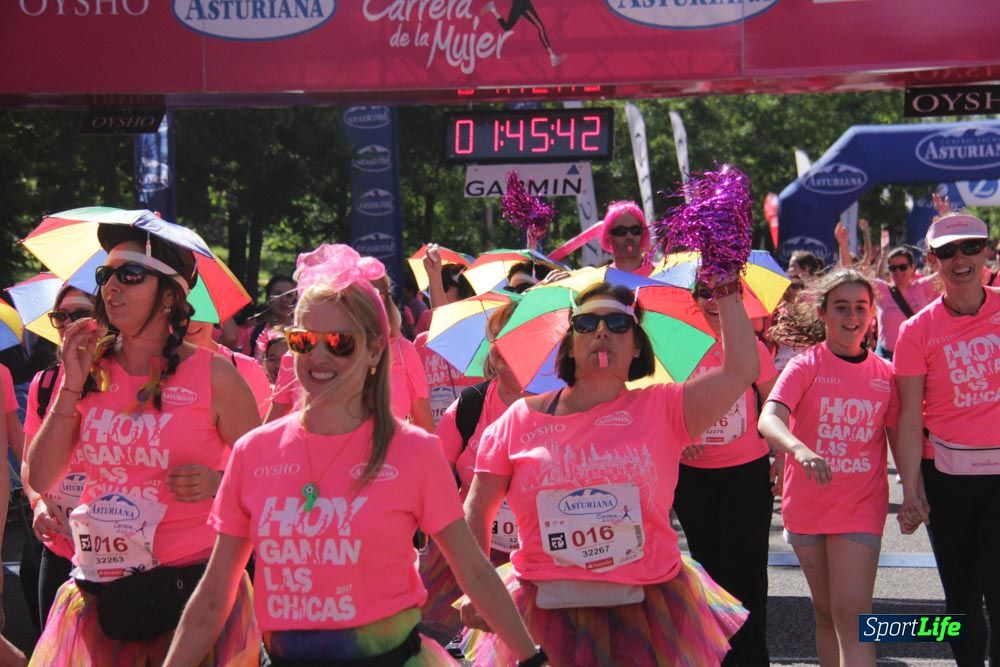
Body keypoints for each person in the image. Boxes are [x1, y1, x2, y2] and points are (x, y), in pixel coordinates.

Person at [163, 244, 544, 667]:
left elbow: (474, 571)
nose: (319, 356)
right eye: (304, 340)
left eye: (340, 342)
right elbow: (215, 595)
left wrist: (530, 660)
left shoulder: (414, 451)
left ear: (376, 349)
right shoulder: (254, 453)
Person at [462, 279, 758, 666]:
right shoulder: (519, 419)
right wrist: (476, 589)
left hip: (648, 607)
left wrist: (726, 284)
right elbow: (477, 510)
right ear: (569, 342)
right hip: (544, 609)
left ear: (636, 344)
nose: (602, 332)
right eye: (586, 324)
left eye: (618, 324)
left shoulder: (666, 407)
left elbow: (740, 371)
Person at [25, 226, 262, 665]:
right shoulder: (87, 369)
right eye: (105, 275)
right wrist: (70, 387)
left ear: (170, 295)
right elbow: (39, 476)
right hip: (102, 595)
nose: (111, 286)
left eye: (130, 274)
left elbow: (267, 481)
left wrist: (217, 481)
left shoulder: (216, 376)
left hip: (191, 596)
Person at [759, 268, 900, 667]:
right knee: (825, 613)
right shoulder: (806, 365)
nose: (851, 316)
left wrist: (916, 493)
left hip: (861, 504)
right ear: (822, 313)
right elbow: (769, 418)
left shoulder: (884, 374)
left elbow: (899, 435)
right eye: (841, 307)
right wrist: (798, 449)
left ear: (872, 313)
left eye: (860, 307)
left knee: (853, 616)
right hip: (806, 505)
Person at [894, 213, 1000, 666]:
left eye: (970, 247)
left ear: (986, 251)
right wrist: (912, 490)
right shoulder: (915, 331)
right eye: (947, 251)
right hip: (948, 481)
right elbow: (907, 419)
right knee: (960, 599)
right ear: (932, 261)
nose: (961, 259)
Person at [672, 281, 779, 667]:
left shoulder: (751, 344)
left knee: (747, 572)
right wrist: (678, 438)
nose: (713, 300)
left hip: (746, 475)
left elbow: (774, 400)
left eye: (722, 291)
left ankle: (751, 660)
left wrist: (780, 452)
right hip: (693, 478)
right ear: (693, 297)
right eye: (704, 290)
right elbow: (659, 405)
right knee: (707, 573)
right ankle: (714, 658)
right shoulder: (676, 345)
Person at [420, 302, 529, 644]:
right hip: (471, 551)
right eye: (501, 343)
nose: (507, 353)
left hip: (537, 557)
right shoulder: (471, 406)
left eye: (521, 340)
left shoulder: (564, 404)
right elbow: (434, 473)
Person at [20, 286, 94, 629]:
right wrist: (37, 503)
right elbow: (28, 461)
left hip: (117, 551)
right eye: (60, 316)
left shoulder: (130, 380)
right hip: (60, 543)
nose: (67, 323)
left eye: (79, 314)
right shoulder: (44, 382)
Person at [835, 223, 937, 361]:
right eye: (893, 268)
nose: (898, 272)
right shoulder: (882, 290)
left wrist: (943, 225)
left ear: (912, 267)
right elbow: (850, 273)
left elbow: (947, 272)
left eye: (903, 267)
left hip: (918, 358)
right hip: (886, 359)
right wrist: (843, 244)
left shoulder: (922, 287)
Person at [186, 317, 272, 419]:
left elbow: (262, 427)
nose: (190, 321)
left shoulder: (247, 368)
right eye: (179, 313)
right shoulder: (162, 368)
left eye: (199, 311)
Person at [482, 0, 564, 67]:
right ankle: (552, 57)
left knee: (507, 27)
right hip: (522, 3)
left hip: (520, 3)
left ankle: (492, 8)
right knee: (540, 27)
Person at [601, 201, 654, 277]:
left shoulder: (662, 274)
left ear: (643, 234)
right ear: (608, 236)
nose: (629, 236)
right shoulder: (601, 281)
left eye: (635, 230)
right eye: (620, 231)